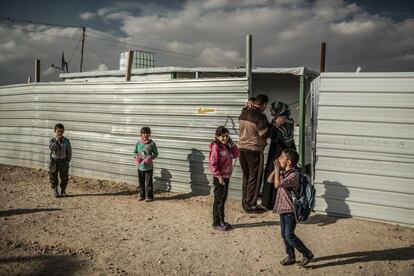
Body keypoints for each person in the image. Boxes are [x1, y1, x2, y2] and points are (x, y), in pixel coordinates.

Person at [268, 149, 313, 267]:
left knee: (289, 235)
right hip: (282, 209)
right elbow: (270, 180)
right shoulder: (284, 173)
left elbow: (277, 185)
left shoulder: (294, 175)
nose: (279, 158)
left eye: (281, 157)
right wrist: (276, 169)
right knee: (284, 235)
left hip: (290, 211)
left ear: (288, 162)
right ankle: (291, 256)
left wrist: (278, 169)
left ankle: (307, 253)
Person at [238, 94, 271, 213]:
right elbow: (264, 134)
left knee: (246, 176)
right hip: (254, 150)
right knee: (255, 177)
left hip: (241, 149)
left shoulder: (244, 113)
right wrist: (275, 126)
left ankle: (244, 202)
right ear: (264, 104)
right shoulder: (260, 116)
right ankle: (251, 205)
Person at [262, 101, 296, 210]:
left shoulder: (283, 121)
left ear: (279, 110)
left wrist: (274, 126)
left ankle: (273, 202)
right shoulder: (288, 120)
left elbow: (273, 136)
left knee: (278, 170)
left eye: (272, 110)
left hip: (278, 150)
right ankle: (272, 202)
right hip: (287, 148)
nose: (271, 111)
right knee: (277, 171)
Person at [208, 126, 239, 231]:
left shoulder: (227, 146)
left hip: (226, 177)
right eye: (222, 136)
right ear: (217, 136)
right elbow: (213, 163)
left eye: (226, 136)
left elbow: (236, 154)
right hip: (219, 178)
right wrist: (218, 176)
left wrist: (231, 143)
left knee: (223, 200)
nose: (225, 138)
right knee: (218, 200)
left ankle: (222, 220)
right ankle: (216, 222)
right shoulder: (216, 147)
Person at [133, 127, 158, 202]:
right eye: (143, 133)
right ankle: (142, 195)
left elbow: (156, 153)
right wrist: (136, 156)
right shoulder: (138, 143)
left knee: (148, 183)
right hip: (140, 167)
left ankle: (150, 196)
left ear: (149, 134)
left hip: (148, 167)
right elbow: (134, 152)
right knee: (141, 182)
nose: (145, 135)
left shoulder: (152, 144)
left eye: (147, 133)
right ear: (141, 134)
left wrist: (150, 157)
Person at [49, 123, 72, 198]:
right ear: (55, 131)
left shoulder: (66, 141)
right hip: (54, 161)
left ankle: (63, 191)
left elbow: (69, 151)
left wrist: (68, 160)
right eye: (58, 131)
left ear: (63, 131)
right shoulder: (52, 140)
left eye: (61, 131)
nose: (60, 133)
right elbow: (52, 148)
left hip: (63, 161)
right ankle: (55, 191)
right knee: (53, 176)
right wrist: (57, 141)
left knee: (64, 177)